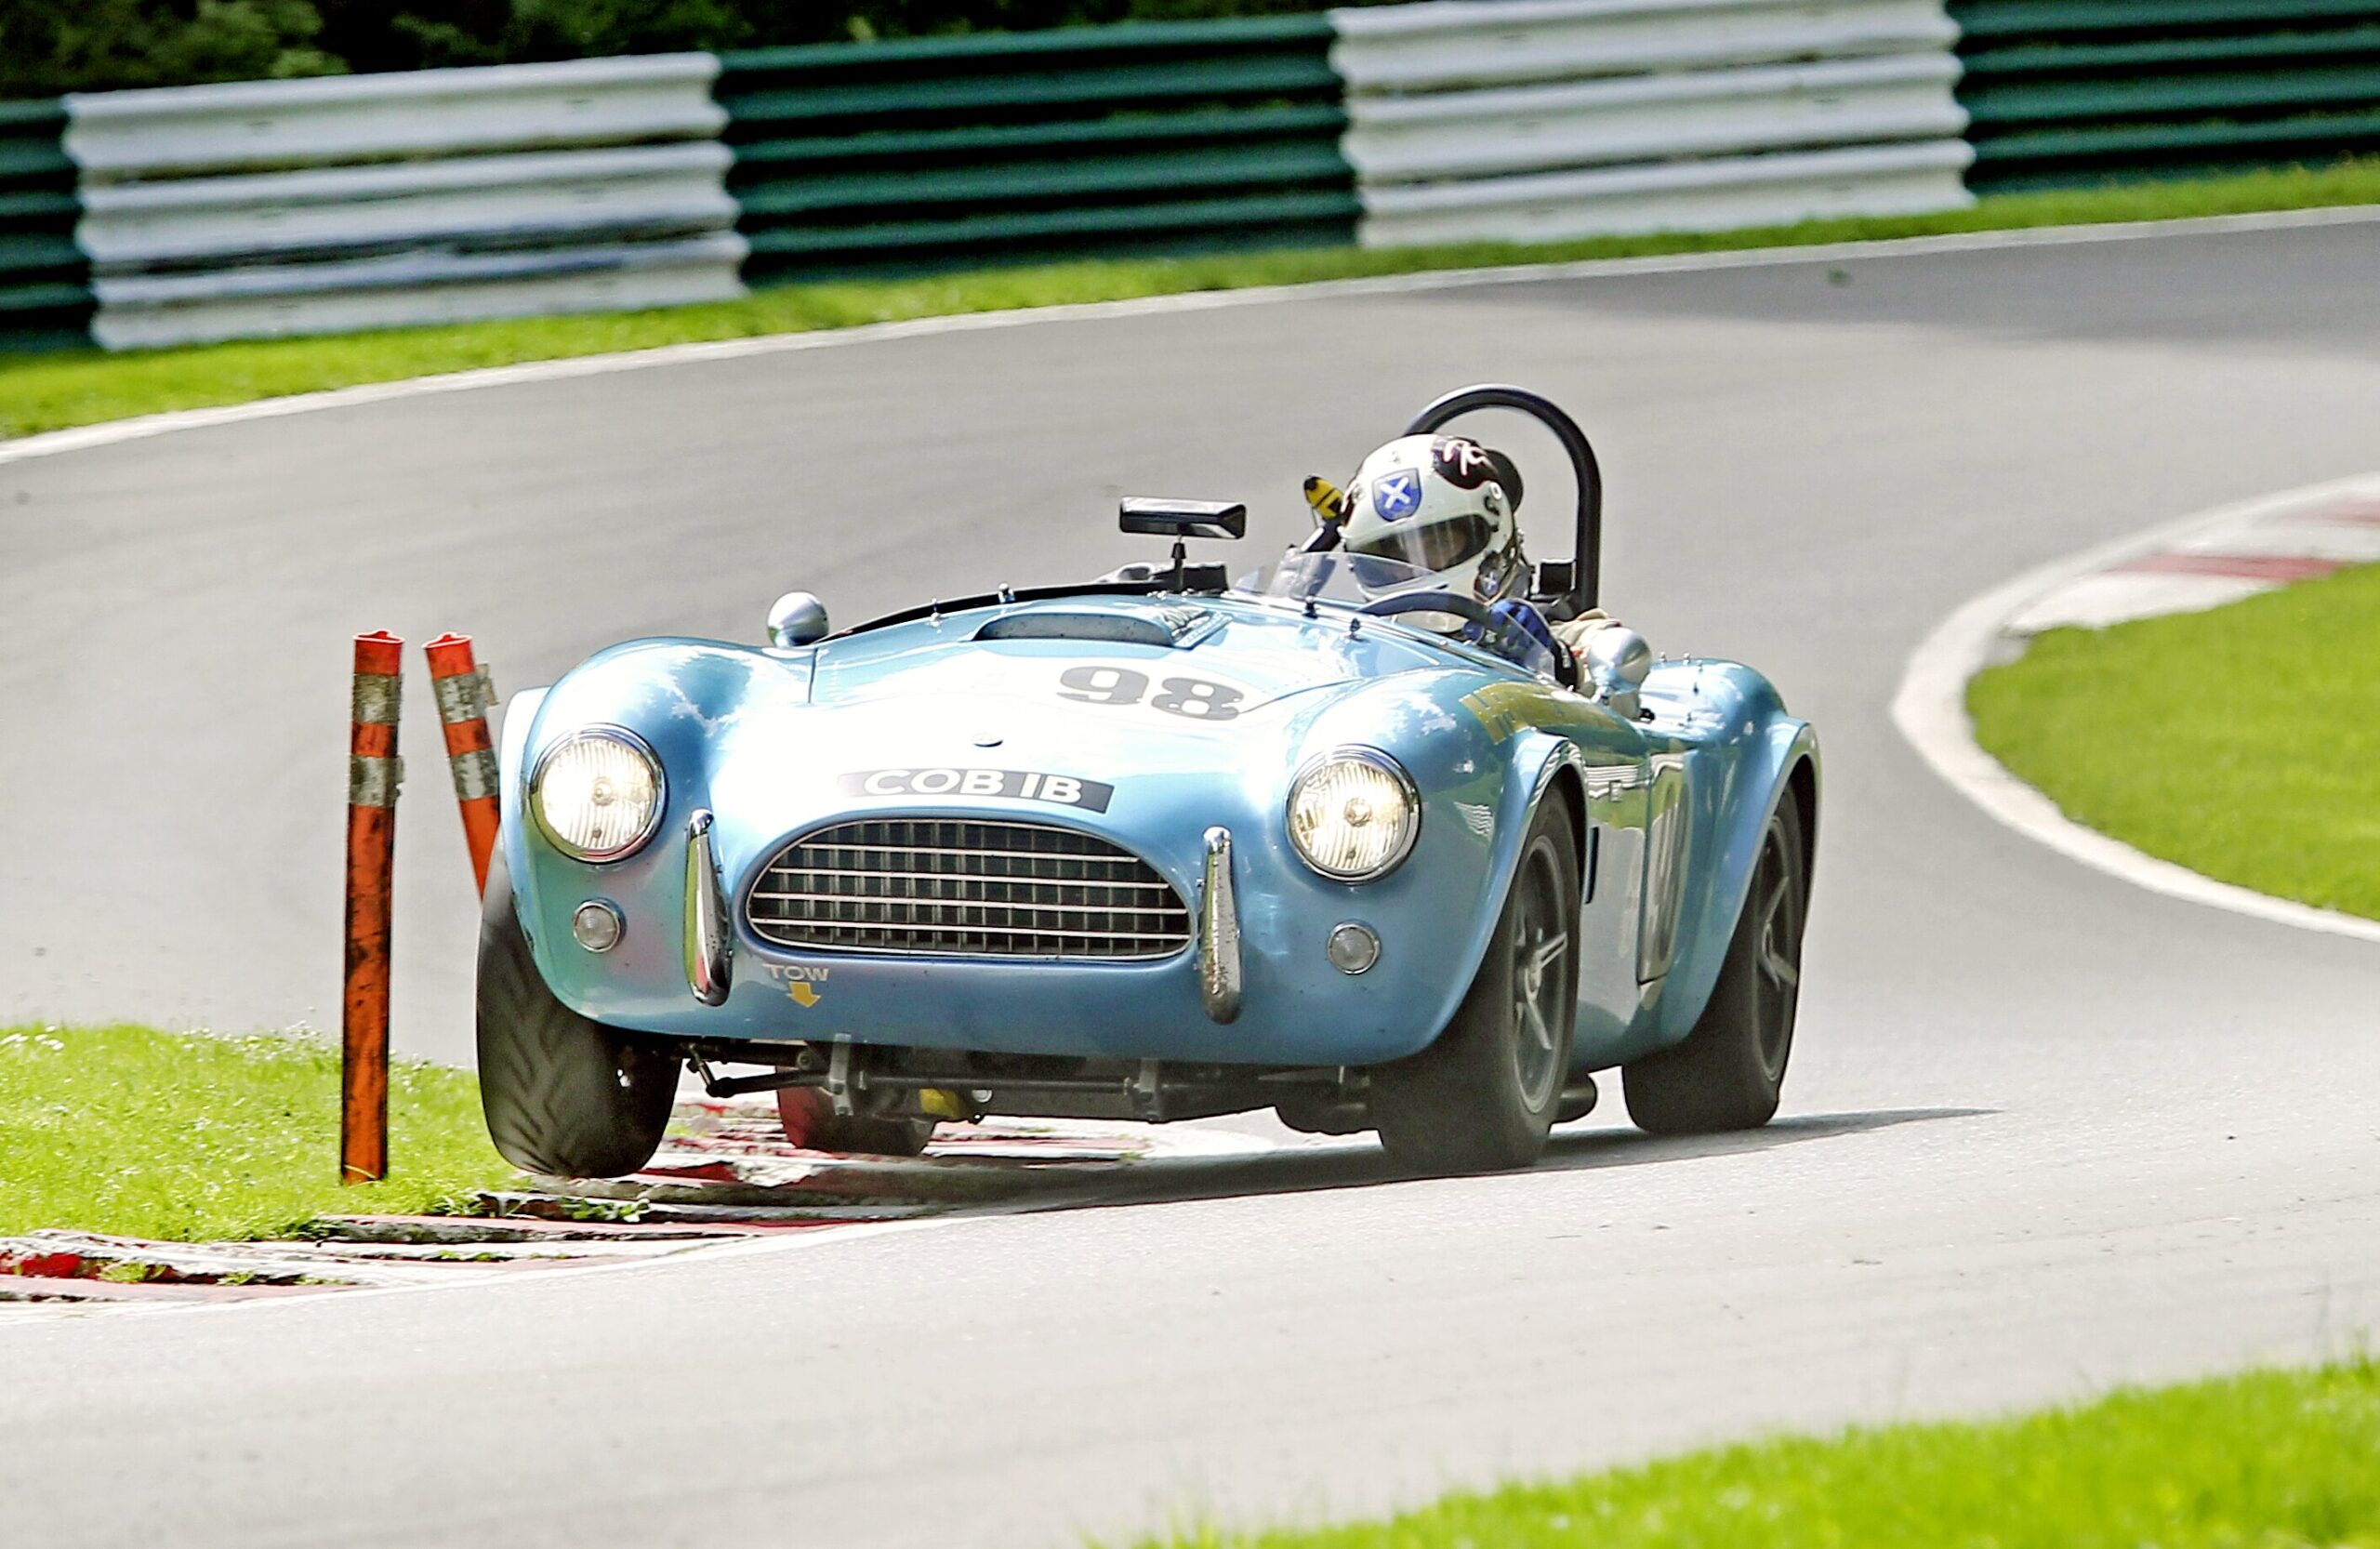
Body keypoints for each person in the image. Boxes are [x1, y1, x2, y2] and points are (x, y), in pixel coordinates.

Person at [1316, 433, 1631, 679]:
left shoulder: (1566, 633)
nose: (1414, 568)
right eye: (1391, 554)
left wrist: (1554, 661)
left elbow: (1619, 671)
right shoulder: (1352, 648)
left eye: (1438, 545)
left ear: (1493, 529)